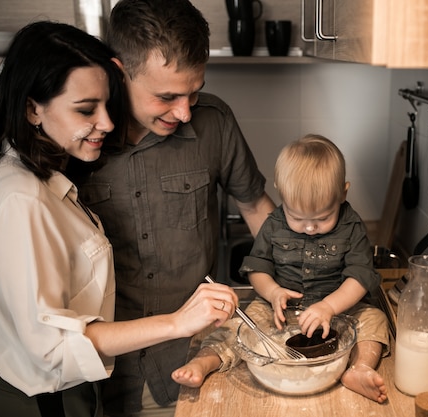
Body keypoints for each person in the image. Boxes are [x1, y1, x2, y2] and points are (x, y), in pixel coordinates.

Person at [0, 21, 239, 417]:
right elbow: (54, 348)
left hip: (72, 394)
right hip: (40, 403)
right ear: (33, 108)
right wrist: (177, 323)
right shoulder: (22, 200)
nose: (106, 123)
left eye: (107, 105)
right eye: (86, 110)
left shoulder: (46, 178)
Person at [74, 0, 276, 415]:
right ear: (118, 71)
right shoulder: (77, 140)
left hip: (192, 361)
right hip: (98, 372)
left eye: (194, 92)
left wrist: (297, 282)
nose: (184, 112)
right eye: (166, 96)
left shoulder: (214, 121)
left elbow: (256, 206)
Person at [173, 134, 391, 403]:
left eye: (323, 218)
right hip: (278, 310)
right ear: (281, 196)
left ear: (343, 193)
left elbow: (359, 276)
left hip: (339, 309)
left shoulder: (352, 226)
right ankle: (204, 362)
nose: (310, 227)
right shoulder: (274, 224)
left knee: (375, 319)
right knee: (240, 326)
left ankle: (360, 368)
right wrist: (274, 292)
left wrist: (330, 307)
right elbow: (258, 268)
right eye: (297, 218)